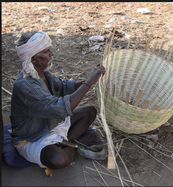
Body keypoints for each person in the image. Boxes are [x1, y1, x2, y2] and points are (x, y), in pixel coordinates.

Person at [10, 31, 106, 169]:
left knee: (90, 111)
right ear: (33, 59)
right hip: (32, 138)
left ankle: (64, 142)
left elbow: (64, 86)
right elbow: (59, 108)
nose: (52, 54)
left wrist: (90, 79)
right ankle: (69, 146)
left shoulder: (42, 74)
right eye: (47, 51)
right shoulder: (25, 85)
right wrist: (89, 82)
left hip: (50, 122)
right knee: (59, 159)